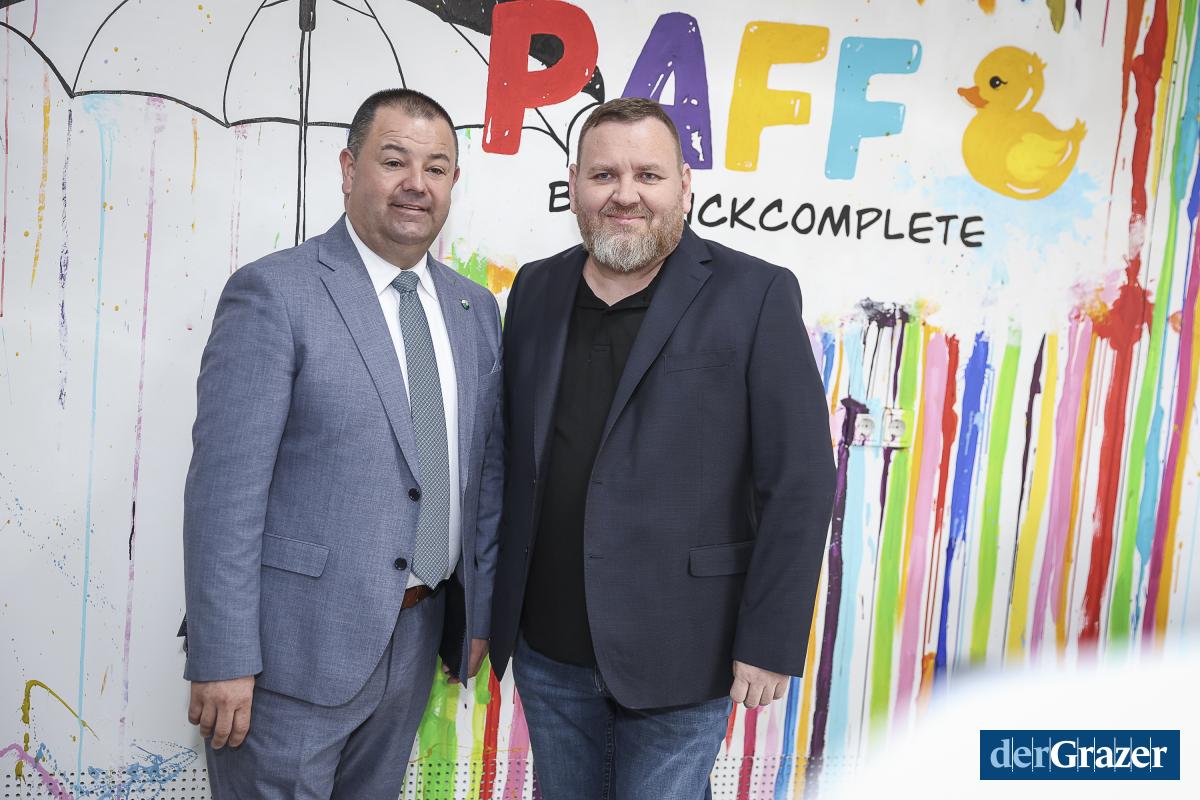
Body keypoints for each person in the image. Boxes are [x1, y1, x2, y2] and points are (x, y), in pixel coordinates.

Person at [489, 97, 836, 799]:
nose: (626, 194)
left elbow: (800, 479)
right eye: (604, 175)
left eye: (648, 174)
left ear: (685, 184)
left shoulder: (756, 293)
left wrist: (769, 640)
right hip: (548, 648)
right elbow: (508, 458)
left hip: (687, 649)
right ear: (573, 184)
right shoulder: (536, 287)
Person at [181, 88, 503, 799]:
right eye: (394, 161)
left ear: (453, 183)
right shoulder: (275, 293)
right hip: (286, 658)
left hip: (417, 639)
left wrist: (477, 615)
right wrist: (223, 654)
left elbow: (482, 476)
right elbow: (224, 494)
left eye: (436, 168)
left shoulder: (473, 309)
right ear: (349, 168)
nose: (416, 183)